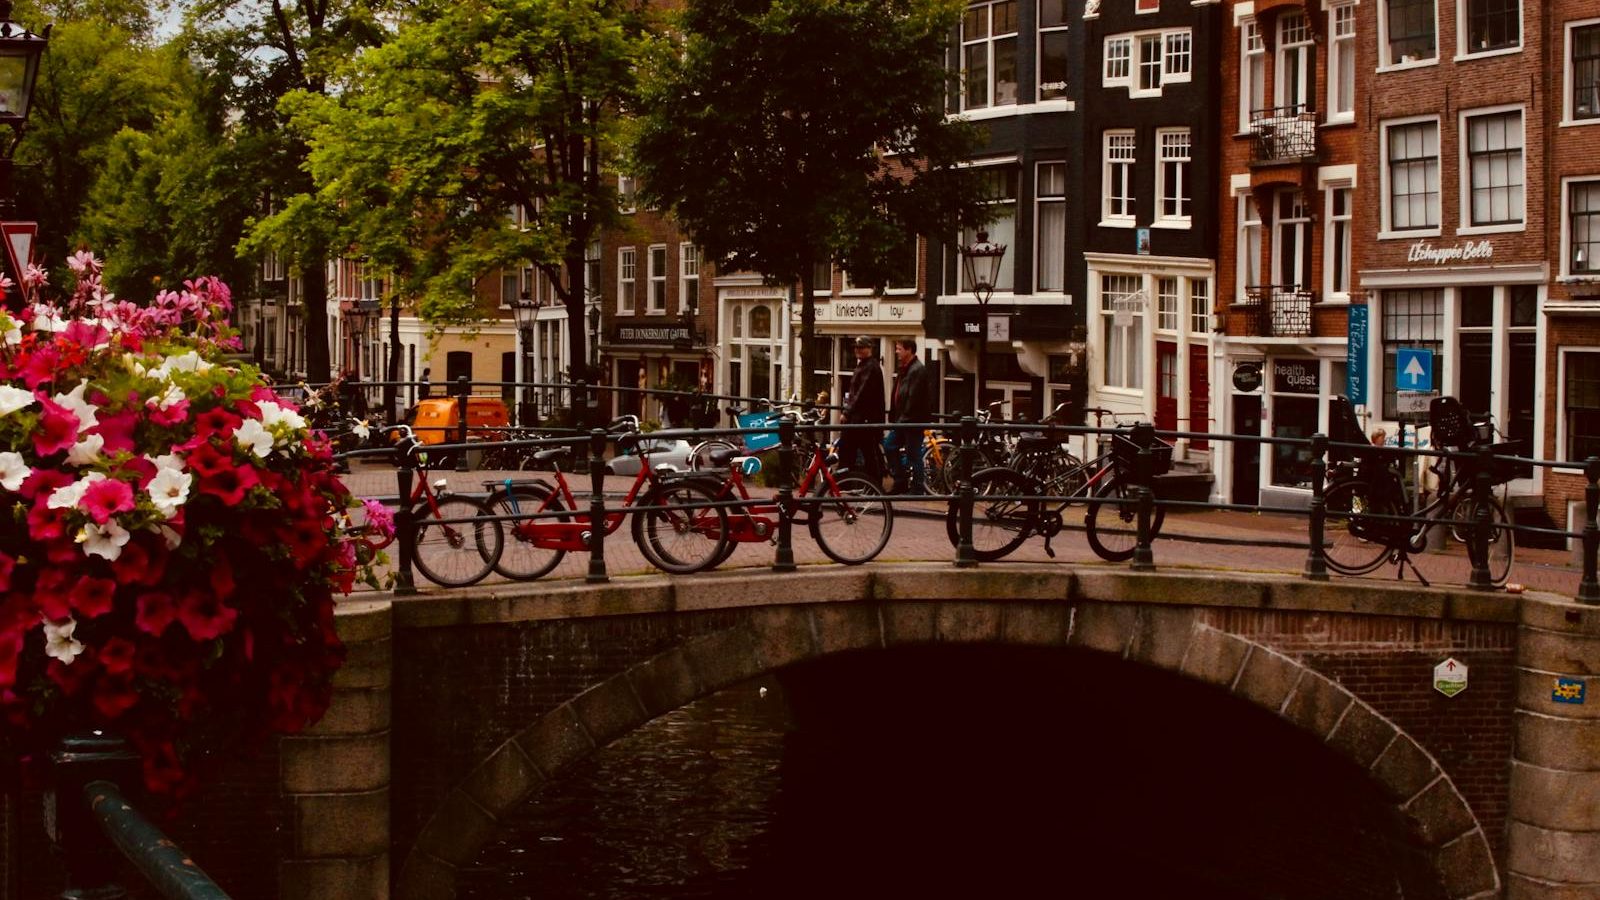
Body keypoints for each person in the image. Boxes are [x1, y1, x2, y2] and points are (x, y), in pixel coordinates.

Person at [885, 339, 933, 495]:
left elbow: (914, 398)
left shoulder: (917, 370)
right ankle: (900, 481)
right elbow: (900, 393)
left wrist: (903, 418)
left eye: (899, 349)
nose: (896, 352)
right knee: (890, 446)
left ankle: (917, 487)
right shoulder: (905, 368)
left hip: (912, 420)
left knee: (913, 454)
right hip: (903, 419)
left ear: (909, 350)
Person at [839, 336, 885, 481]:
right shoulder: (864, 365)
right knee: (858, 451)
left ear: (869, 348)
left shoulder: (870, 367)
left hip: (863, 419)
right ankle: (849, 482)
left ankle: (849, 482)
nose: (857, 350)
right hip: (860, 418)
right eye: (856, 347)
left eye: (861, 347)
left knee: (859, 451)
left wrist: (847, 412)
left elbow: (861, 393)